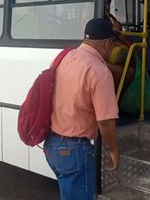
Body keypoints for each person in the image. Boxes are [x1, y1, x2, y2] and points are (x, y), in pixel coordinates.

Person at [44, 18, 120, 200]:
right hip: (74, 151)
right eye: (113, 44)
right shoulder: (99, 71)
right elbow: (106, 122)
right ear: (107, 43)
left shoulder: (64, 57)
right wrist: (113, 150)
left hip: (52, 146)